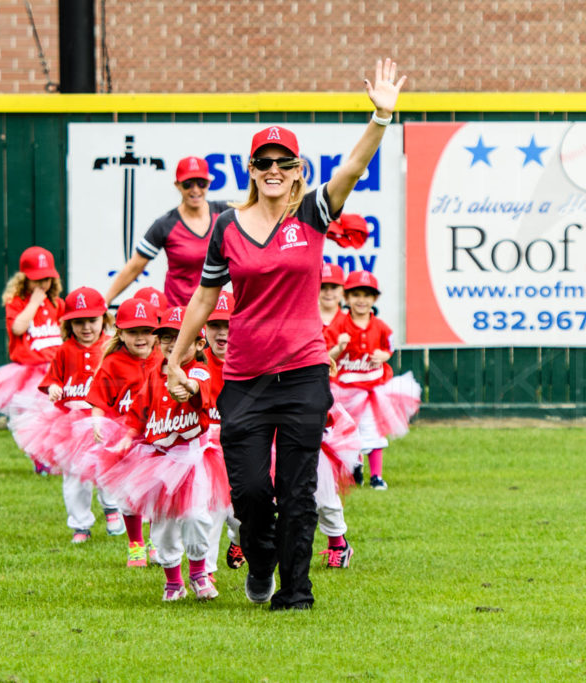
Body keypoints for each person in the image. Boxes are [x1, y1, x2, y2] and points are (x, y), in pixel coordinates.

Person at [166, 58, 407, 610]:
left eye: (283, 161)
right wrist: (176, 360)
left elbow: (350, 167)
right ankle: (261, 559)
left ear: (296, 169)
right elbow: (205, 297)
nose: (273, 168)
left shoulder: (313, 216)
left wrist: (381, 116)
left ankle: (296, 592)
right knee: (251, 491)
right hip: (245, 377)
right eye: (263, 161)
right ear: (252, 169)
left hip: (303, 374)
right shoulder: (226, 226)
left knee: (298, 490)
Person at [98, 306, 231, 601]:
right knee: (164, 526)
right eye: (167, 337)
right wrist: (127, 439)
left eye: (181, 336)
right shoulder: (154, 376)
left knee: (198, 518)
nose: (173, 343)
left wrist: (187, 385)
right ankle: (173, 580)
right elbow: (138, 414)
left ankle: (198, 572)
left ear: (198, 344)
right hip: (160, 461)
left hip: (194, 459)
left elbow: (201, 387)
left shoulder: (198, 369)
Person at [7, 287, 125, 543]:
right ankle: (80, 524)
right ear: (68, 323)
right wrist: (54, 388)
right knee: (74, 475)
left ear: (103, 319)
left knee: (107, 467)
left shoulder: (111, 347)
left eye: (92, 320)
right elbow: (52, 380)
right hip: (72, 423)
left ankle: (113, 509)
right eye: (78, 321)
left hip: (105, 419)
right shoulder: (63, 351)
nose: (86, 327)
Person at [51, 297, 161, 566]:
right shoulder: (112, 362)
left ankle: (157, 543)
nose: (140, 338)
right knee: (129, 496)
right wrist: (98, 422)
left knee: (159, 494)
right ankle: (136, 544)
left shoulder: (163, 359)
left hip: (158, 435)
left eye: (146, 331)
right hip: (125, 440)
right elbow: (98, 400)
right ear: (120, 333)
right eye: (132, 332)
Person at [325, 270, 422, 490]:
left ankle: (376, 475)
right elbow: (326, 356)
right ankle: (354, 470)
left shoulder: (380, 326)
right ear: (346, 298)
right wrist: (339, 347)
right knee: (347, 431)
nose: (361, 300)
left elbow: (389, 347)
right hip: (344, 389)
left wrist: (385, 356)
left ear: (374, 299)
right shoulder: (338, 326)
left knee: (373, 431)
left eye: (367, 295)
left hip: (372, 389)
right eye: (356, 294)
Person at [0, 246, 65, 473]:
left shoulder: (56, 303)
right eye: (37, 280)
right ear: (24, 279)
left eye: (46, 279)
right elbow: (18, 327)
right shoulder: (16, 302)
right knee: (32, 418)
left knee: (55, 415)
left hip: (54, 370)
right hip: (29, 372)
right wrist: (34, 302)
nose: (42, 285)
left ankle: (55, 456)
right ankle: (40, 458)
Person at [105, 157, 232, 306]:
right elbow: (134, 267)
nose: (195, 190)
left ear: (209, 183)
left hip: (213, 314)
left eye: (201, 183)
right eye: (188, 184)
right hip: (177, 315)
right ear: (177, 185)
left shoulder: (226, 213)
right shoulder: (165, 225)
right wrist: (105, 302)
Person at [198, 291, 247, 574]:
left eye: (229, 324)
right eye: (215, 324)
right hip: (208, 448)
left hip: (243, 446)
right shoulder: (197, 361)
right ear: (204, 326)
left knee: (244, 518)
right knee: (212, 510)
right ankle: (206, 572)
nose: (222, 332)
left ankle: (238, 542)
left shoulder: (252, 362)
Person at [319, 262, 347, 328]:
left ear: (343, 290)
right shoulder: (306, 319)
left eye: (334, 287)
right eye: (322, 287)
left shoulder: (351, 321)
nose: (328, 292)